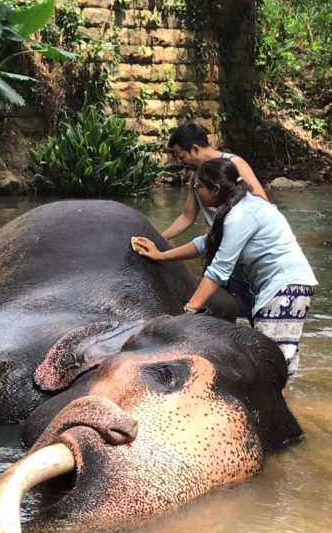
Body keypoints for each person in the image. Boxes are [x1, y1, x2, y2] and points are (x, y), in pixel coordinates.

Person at [132, 158, 318, 376]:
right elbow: (206, 243)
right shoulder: (236, 208)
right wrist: (161, 255)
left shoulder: (240, 216)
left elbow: (219, 271)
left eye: (199, 187)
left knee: (269, 364)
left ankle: (281, 407)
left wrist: (187, 311)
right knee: (272, 360)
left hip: (286, 287)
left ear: (216, 189)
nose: (197, 192)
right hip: (282, 286)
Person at [162, 122, 267, 319]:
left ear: (194, 149)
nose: (181, 161)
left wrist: (232, 226)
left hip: (238, 249)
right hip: (213, 247)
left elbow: (261, 201)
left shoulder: (234, 164)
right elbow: (187, 216)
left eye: (181, 155)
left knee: (248, 309)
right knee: (214, 309)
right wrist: (159, 238)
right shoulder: (197, 178)